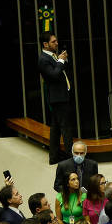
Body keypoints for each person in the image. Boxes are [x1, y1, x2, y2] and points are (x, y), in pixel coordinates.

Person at [38, 32, 73, 165]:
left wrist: (62, 60)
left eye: (56, 41)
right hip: (58, 98)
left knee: (56, 128)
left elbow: (60, 69)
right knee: (66, 128)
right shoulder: (43, 59)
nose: (56, 43)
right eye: (53, 42)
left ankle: (54, 157)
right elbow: (54, 75)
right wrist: (61, 61)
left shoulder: (51, 56)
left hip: (61, 96)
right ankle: (71, 158)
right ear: (45, 44)